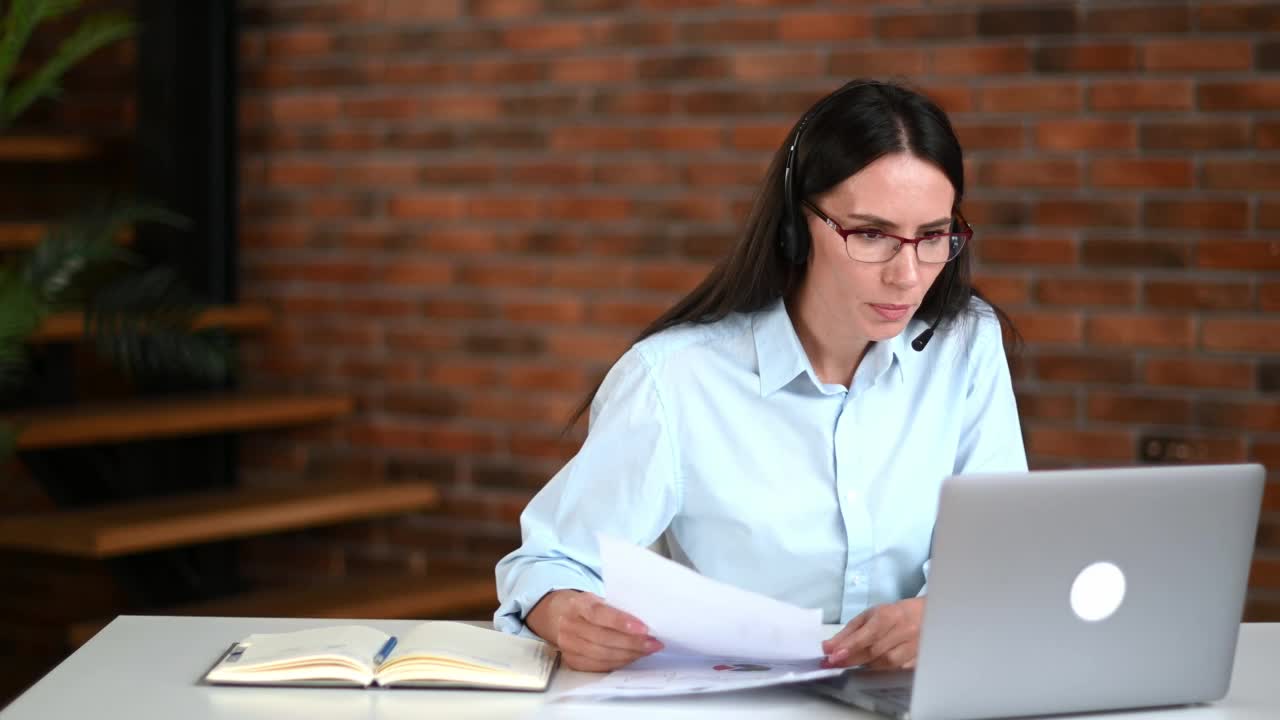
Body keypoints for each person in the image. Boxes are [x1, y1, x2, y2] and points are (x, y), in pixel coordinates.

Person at [494, 79, 1027, 673]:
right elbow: (547, 561)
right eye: (871, 234)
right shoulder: (675, 379)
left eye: (932, 237)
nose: (907, 275)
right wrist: (565, 612)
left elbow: (1001, 547)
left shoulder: (966, 344)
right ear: (797, 227)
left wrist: (943, 614)